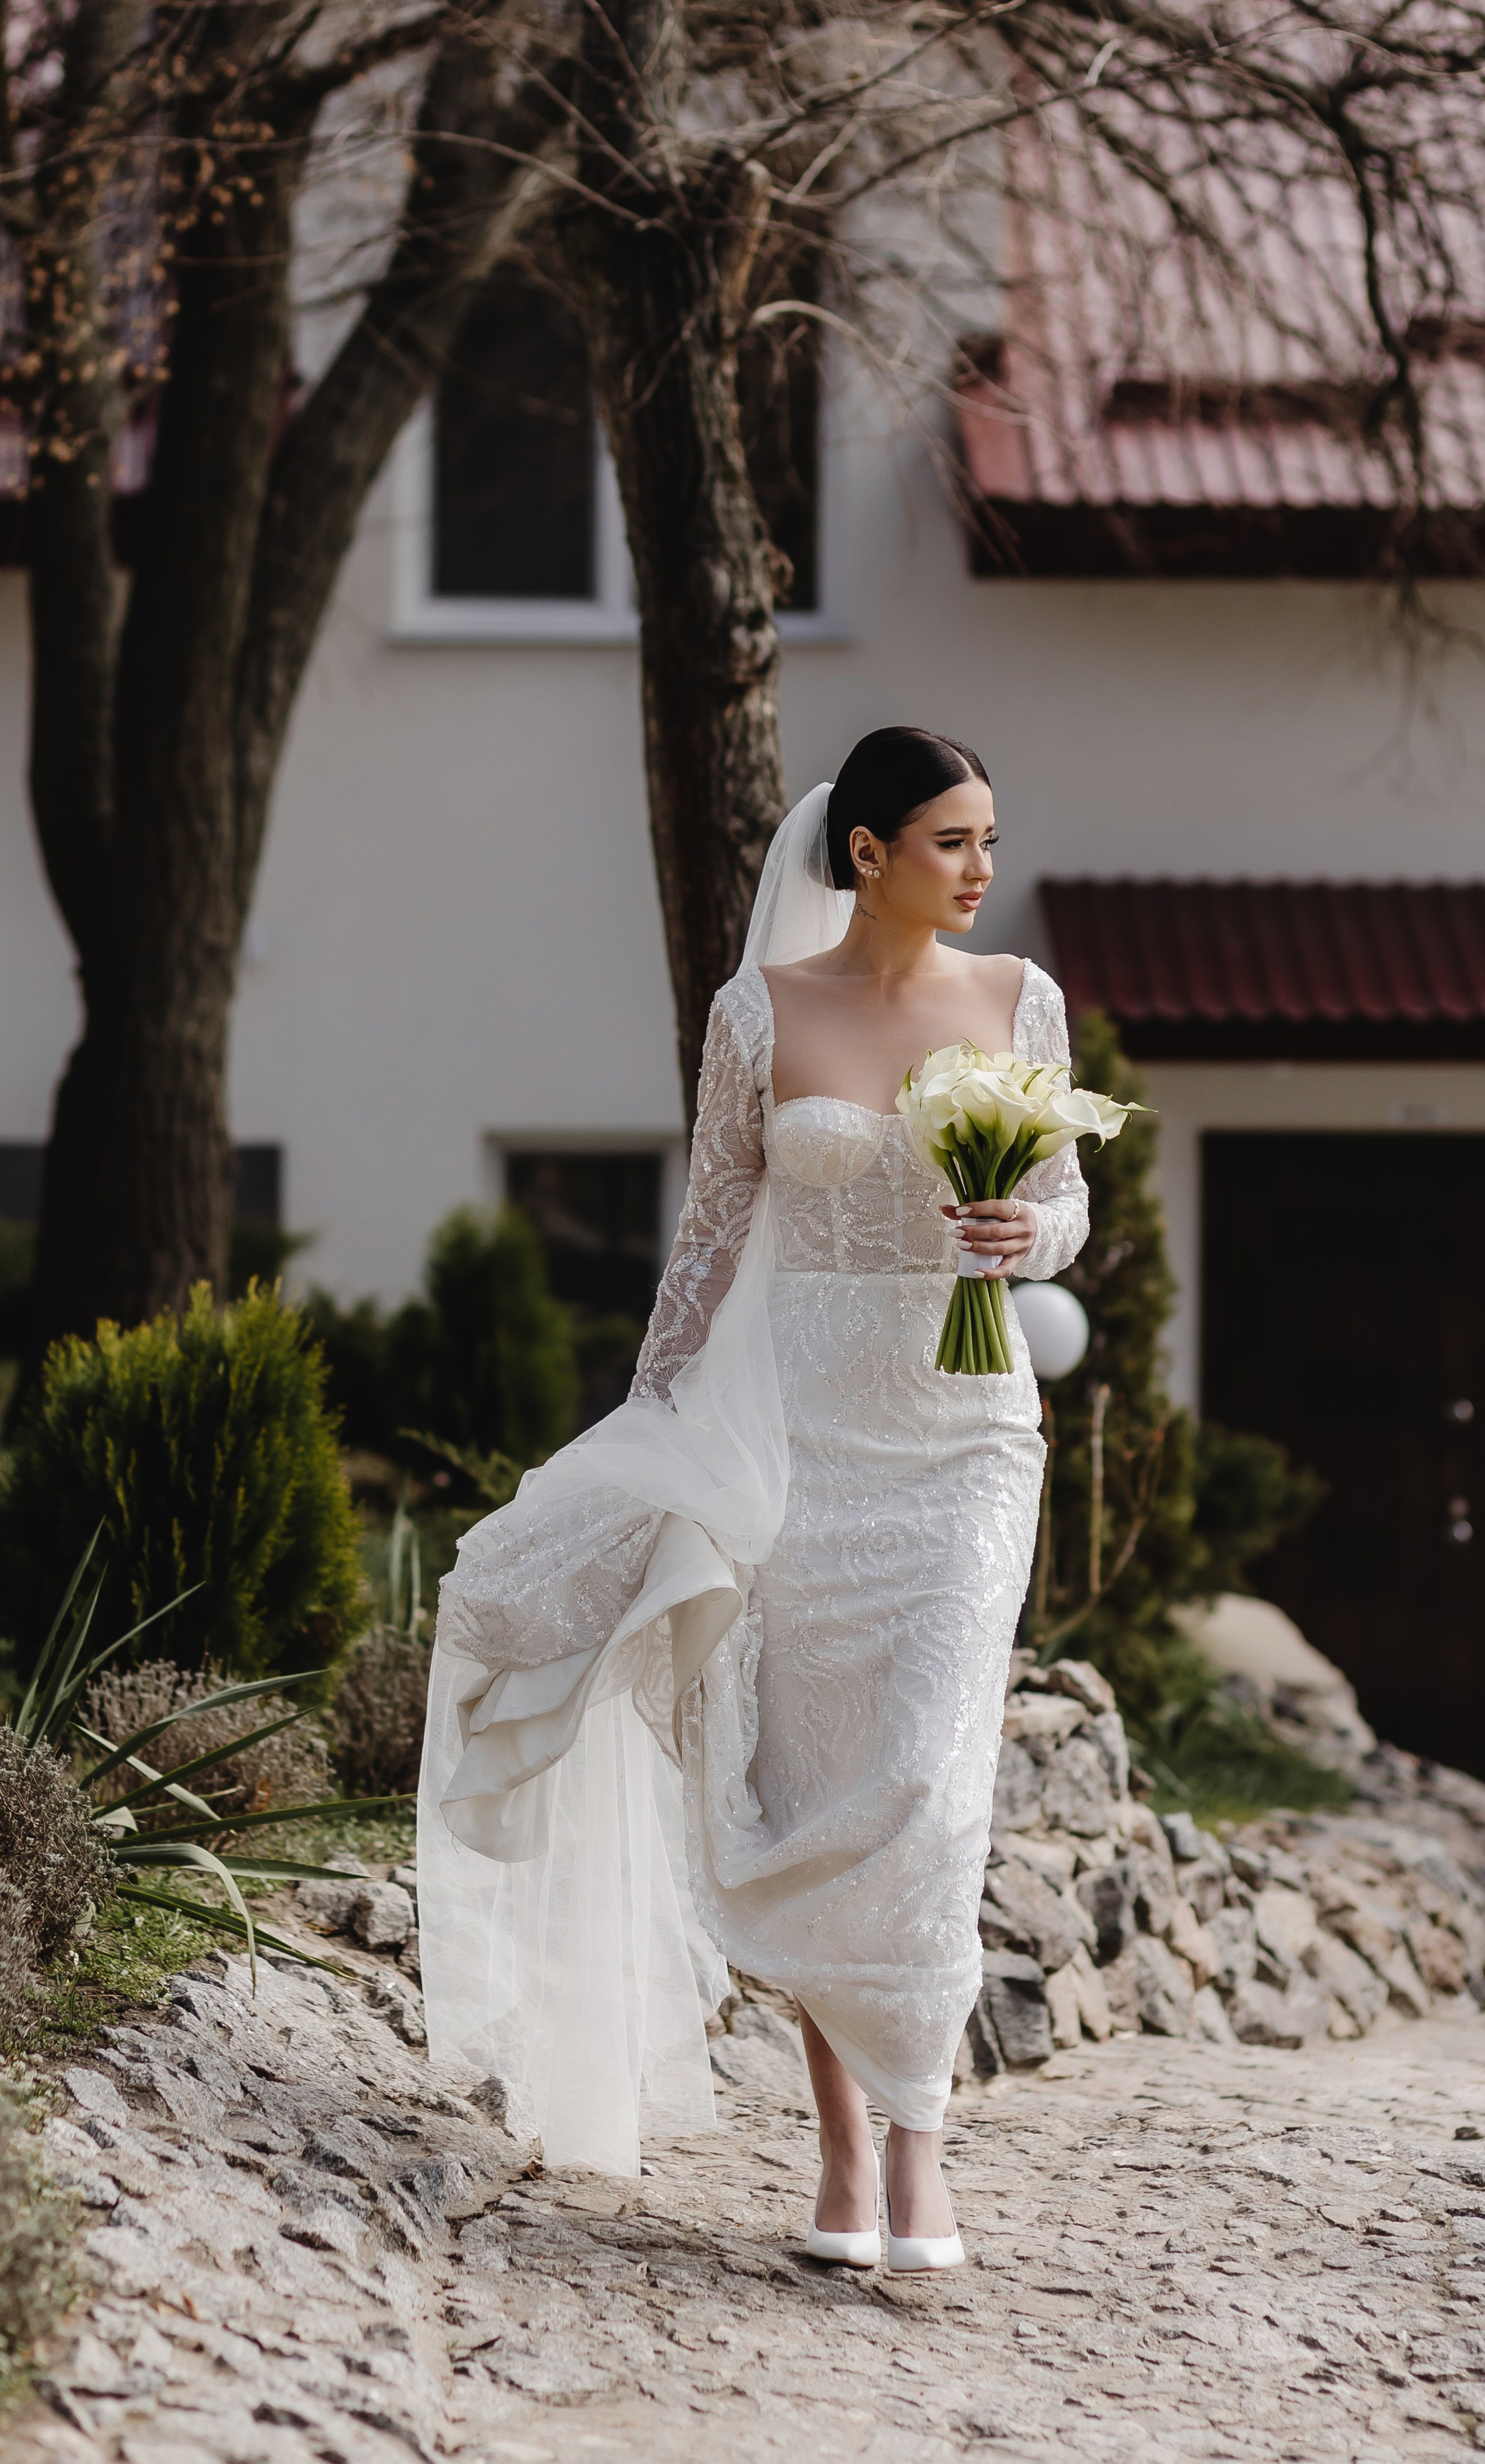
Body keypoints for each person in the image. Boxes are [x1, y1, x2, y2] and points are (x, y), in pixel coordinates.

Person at [416, 727, 1089, 2274]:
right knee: (809, 1786)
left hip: (967, 1439)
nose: (983, 868)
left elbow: (1064, 1204)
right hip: (798, 1438)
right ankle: (843, 2157)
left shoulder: (1017, 1001)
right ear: (864, 853)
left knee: (923, 1785)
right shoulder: (757, 1010)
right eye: (952, 840)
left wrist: (1019, 1235)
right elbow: (712, 1230)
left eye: (989, 838)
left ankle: (923, 2152)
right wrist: (658, 1430)